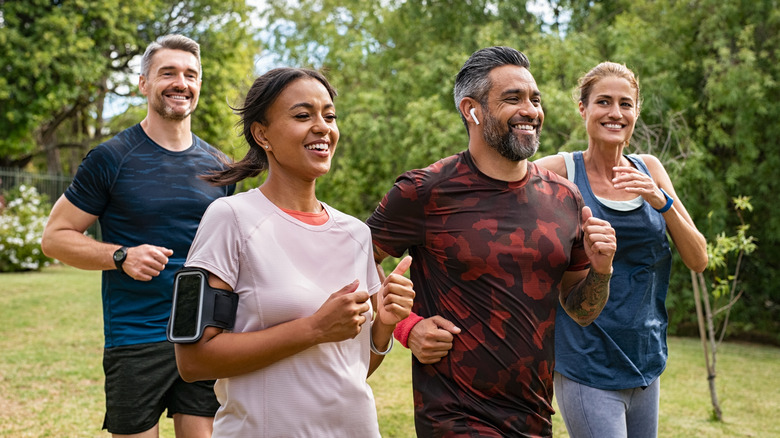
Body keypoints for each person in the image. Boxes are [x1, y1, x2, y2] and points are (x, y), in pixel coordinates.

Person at [366, 46, 617, 437]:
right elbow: (354, 259)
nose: (531, 110)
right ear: (472, 109)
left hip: (533, 417)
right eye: (513, 98)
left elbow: (581, 310)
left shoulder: (565, 198)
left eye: (535, 99)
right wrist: (407, 327)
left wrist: (602, 270)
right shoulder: (424, 190)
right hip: (453, 416)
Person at [173, 67, 416, 437]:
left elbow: (352, 367)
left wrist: (383, 324)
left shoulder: (355, 234)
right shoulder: (230, 218)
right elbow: (192, 361)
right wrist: (314, 328)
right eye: (303, 115)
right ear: (262, 134)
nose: (323, 127)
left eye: (329, 116)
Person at [41, 34, 234, 437]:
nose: (181, 82)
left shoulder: (220, 166)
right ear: (144, 84)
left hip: (203, 332)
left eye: (191, 74)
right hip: (136, 337)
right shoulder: (111, 158)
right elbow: (55, 237)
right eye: (168, 73)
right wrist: (121, 256)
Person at [533, 61, 708, 438]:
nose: (615, 113)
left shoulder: (650, 169)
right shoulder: (558, 171)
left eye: (625, 104)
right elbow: (499, 201)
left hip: (645, 361)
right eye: (603, 102)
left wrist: (661, 201)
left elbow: (698, 258)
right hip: (586, 364)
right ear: (583, 109)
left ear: (636, 112)